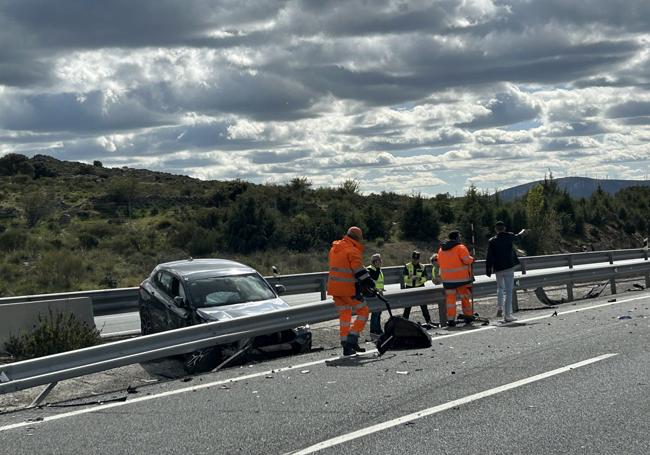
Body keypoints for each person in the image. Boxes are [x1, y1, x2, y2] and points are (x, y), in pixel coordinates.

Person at [327, 226, 376, 356]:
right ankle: (352, 338)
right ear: (358, 238)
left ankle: (346, 346)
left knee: (345, 315)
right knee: (363, 312)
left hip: (335, 289)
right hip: (348, 290)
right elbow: (358, 270)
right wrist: (369, 281)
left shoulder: (334, 249)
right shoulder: (352, 250)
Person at [486, 221, 527, 322]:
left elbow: (489, 256)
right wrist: (523, 231)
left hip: (498, 268)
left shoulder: (492, 241)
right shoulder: (509, 236)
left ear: (496, 229)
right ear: (504, 228)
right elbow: (518, 237)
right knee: (508, 292)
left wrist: (488, 269)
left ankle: (500, 306)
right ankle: (507, 315)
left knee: (500, 288)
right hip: (508, 267)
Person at [437, 231, 475, 327]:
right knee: (465, 298)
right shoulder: (460, 247)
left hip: (447, 280)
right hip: (461, 279)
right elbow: (466, 260)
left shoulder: (441, 249)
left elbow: (439, 262)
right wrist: (472, 259)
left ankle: (450, 320)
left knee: (450, 301)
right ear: (457, 238)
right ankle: (468, 316)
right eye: (460, 237)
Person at [401, 250, 433, 326]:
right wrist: (410, 278)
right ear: (411, 258)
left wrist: (419, 279)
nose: (415, 260)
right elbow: (404, 278)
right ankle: (403, 323)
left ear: (419, 259)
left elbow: (426, 278)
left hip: (420, 288)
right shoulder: (407, 266)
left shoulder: (422, 266)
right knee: (408, 307)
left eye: (416, 259)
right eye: (414, 259)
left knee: (424, 306)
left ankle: (429, 321)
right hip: (409, 288)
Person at [366, 253, 385, 338]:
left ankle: (378, 330)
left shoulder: (378, 269)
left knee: (379, 312)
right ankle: (373, 331)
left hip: (379, 294)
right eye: (379, 260)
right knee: (375, 313)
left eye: (380, 260)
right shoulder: (370, 270)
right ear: (374, 261)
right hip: (373, 294)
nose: (381, 261)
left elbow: (379, 282)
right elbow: (369, 283)